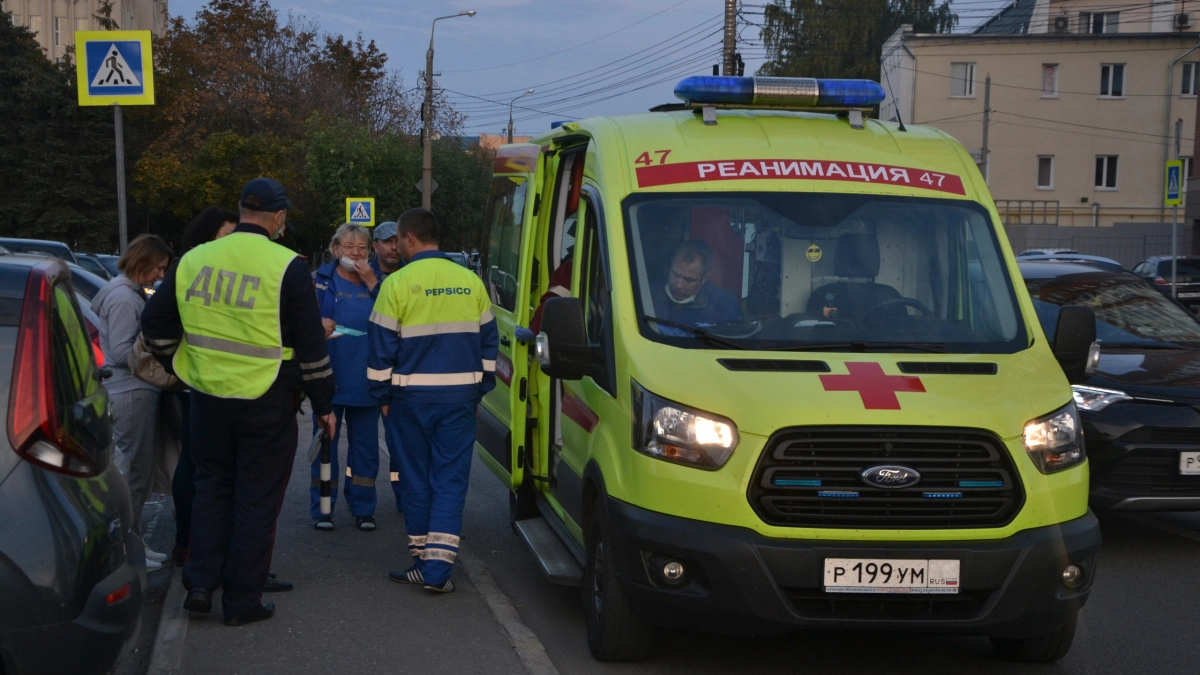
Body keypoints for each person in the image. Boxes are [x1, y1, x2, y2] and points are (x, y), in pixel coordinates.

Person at [142, 177, 336, 626]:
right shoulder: (288, 266)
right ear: (280, 218)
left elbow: (154, 324)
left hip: (207, 397)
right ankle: (242, 601)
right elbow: (312, 348)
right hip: (266, 399)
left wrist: (177, 364)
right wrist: (324, 404)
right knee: (256, 499)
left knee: (212, 488)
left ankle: (201, 585)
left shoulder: (194, 258)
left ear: (241, 210)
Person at [368, 208, 497, 593]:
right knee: (450, 480)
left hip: (410, 400)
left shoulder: (396, 284)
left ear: (409, 239)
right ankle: (437, 571)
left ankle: (423, 562)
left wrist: (381, 396)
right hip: (459, 400)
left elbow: (379, 351)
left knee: (415, 478)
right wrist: (479, 389)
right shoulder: (471, 282)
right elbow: (489, 344)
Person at [92, 234, 173, 571]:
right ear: (142, 262)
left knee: (136, 472)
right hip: (133, 391)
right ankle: (129, 549)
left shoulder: (121, 290)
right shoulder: (126, 298)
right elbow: (125, 352)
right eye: (157, 267)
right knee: (135, 475)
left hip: (127, 390)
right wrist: (162, 351)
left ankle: (134, 541)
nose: (159, 275)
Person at [171, 206, 238, 565]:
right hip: (198, 382)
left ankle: (201, 550)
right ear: (209, 235)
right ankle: (191, 545)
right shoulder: (195, 267)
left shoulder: (202, 267)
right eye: (228, 235)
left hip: (218, 382)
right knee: (199, 468)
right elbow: (159, 323)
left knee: (207, 470)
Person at [310, 223, 382, 531]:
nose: (355, 253)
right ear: (335, 249)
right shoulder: (318, 281)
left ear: (370, 251)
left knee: (365, 449)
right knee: (326, 447)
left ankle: (363, 508)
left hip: (367, 381)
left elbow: (395, 322)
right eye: (348, 247)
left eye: (361, 248)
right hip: (328, 379)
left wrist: (372, 283)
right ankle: (323, 508)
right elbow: (300, 326)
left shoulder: (381, 283)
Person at [368, 220, 406, 511]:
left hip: (401, 372)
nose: (393, 246)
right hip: (368, 372)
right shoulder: (362, 274)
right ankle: (361, 504)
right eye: (387, 241)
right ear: (375, 246)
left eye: (397, 241)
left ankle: (404, 498)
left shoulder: (409, 275)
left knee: (400, 445)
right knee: (365, 446)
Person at [650, 240, 742, 331]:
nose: (679, 285)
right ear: (671, 264)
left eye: (689, 280)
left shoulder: (724, 308)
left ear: (704, 278)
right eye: (675, 275)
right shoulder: (646, 294)